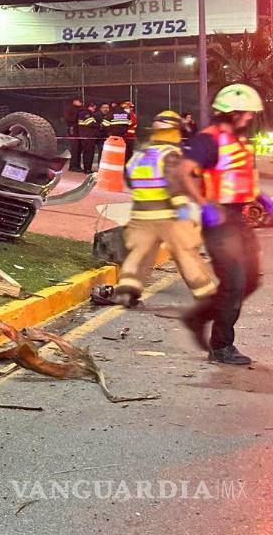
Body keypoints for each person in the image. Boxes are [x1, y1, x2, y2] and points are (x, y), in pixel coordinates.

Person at [180, 84, 272, 366]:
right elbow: (184, 173)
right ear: (230, 113)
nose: (249, 119)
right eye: (245, 114)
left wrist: (263, 199)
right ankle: (221, 347)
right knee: (233, 283)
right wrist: (204, 205)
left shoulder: (239, 142)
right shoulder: (207, 141)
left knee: (251, 281)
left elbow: (241, 178)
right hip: (218, 219)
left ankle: (198, 317)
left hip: (238, 218)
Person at [99, 110, 217, 308]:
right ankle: (208, 297)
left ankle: (127, 293)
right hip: (169, 215)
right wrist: (186, 214)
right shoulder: (171, 154)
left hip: (141, 215)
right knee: (185, 253)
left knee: (139, 255)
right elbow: (175, 186)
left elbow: (129, 178)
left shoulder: (142, 154)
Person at [77, 102, 101, 172]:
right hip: (87, 137)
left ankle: (88, 168)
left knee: (89, 153)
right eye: (93, 107)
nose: (94, 109)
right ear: (89, 106)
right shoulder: (84, 113)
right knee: (88, 153)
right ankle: (87, 169)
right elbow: (90, 123)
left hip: (89, 137)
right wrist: (99, 125)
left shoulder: (88, 113)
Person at [63, 97, 83, 168]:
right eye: (79, 101)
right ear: (74, 101)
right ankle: (73, 166)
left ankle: (77, 165)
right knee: (74, 148)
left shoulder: (80, 109)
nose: (80, 103)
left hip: (79, 130)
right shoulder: (70, 109)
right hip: (72, 130)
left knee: (79, 149)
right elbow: (68, 119)